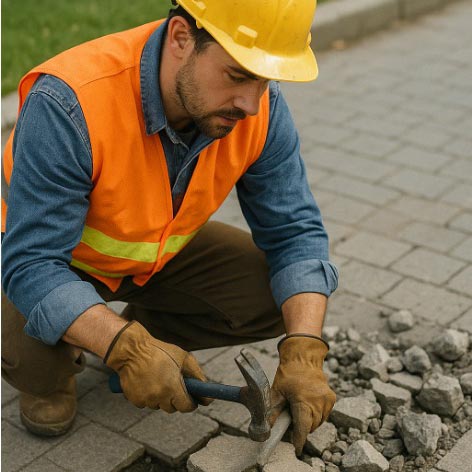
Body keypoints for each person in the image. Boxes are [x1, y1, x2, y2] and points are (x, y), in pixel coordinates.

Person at [1, 0, 338, 456]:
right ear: (181, 37)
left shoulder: (258, 111)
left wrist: (304, 348)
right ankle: (63, 371)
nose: (251, 104)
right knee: (32, 360)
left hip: (155, 252)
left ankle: (142, 333)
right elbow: (32, 264)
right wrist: (126, 350)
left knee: (279, 299)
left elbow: (295, 232)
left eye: (265, 79)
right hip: (53, 262)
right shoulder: (69, 102)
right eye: (238, 75)